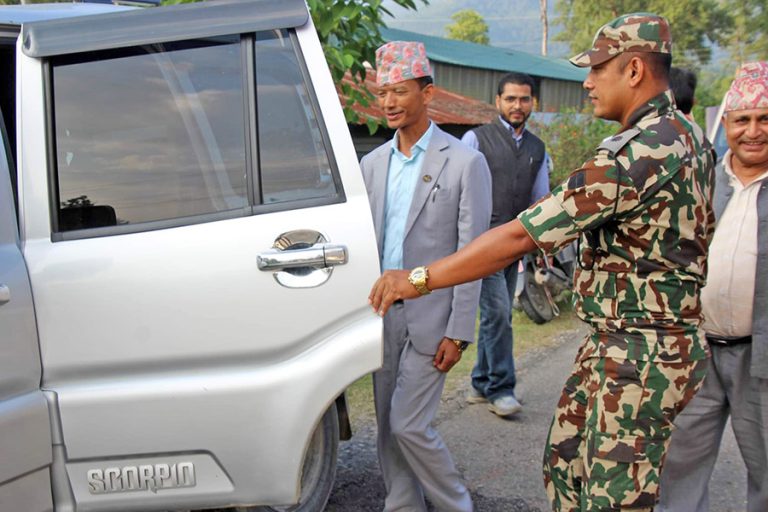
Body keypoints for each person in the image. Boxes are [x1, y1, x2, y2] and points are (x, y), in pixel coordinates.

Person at [369, 13, 716, 511]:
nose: (588, 82)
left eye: (598, 69)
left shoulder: (640, 151)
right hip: (627, 343)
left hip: (639, 355)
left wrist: (419, 279)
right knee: (566, 463)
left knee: (610, 496)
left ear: (635, 70)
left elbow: (518, 235)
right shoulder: (688, 135)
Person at [361, 41, 492, 512]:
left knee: (409, 424)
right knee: (386, 427)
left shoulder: (463, 162)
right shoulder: (372, 165)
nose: (390, 102)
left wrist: (459, 332)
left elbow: (473, 254)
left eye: (399, 91)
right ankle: (402, 505)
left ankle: (456, 505)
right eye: (383, 93)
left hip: (432, 318)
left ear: (427, 93)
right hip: (381, 317)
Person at [657, 61, 768, 512]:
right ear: (726, 123)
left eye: (765, 119)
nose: (753, 131)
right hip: (697, 352)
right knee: (678, 463)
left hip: (759, 358)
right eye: (742, 120)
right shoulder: (703, 179)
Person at [460, 72, 551, 417]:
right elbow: (461, 192)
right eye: (510, 98)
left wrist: (542, 246)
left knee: (495, 317)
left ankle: (481, 383)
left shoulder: (537, 148)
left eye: (524, 99)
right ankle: (501, 387)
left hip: (516, 244)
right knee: (499, 312)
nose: (517, 105)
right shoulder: (475, 139)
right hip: (482, 243)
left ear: (532, 104)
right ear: (497, 101)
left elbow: (541, 199)